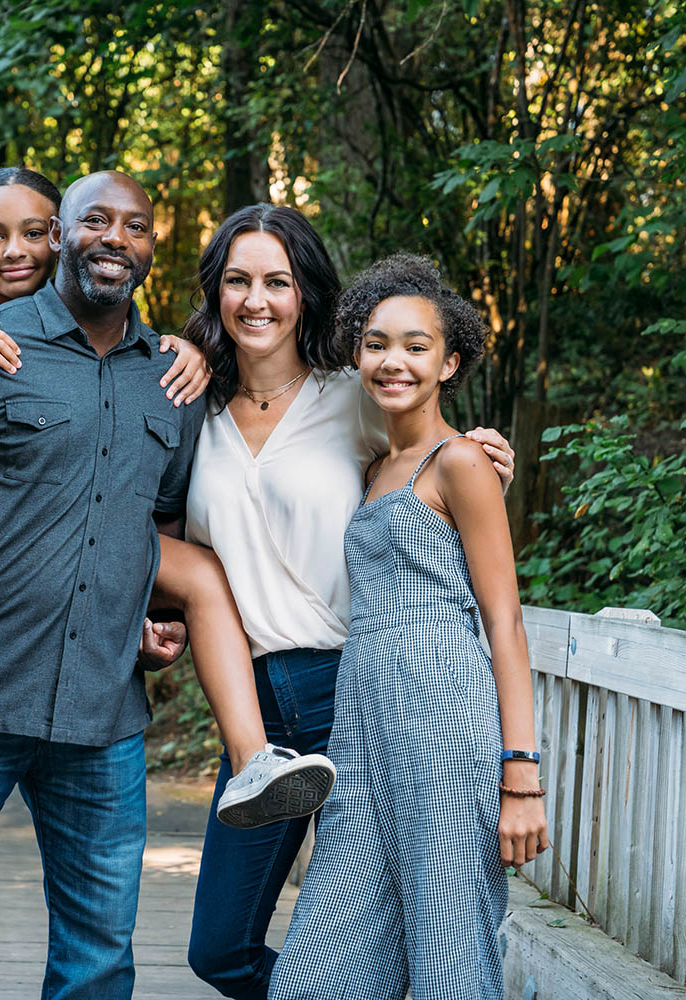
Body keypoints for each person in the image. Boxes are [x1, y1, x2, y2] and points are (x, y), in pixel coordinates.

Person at [0, 171, 328, 1000]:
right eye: (94, 219)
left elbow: (160, 527)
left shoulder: (173, 379)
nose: (114, 237)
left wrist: (153, 615)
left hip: (104, 719)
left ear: (150, 248)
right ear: (59, 234)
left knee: (97, 967)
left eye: (135, 225)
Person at [182, 206, 517, 1000]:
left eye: (278, 281)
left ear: (307, 295)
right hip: (255, 712)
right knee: (219, 947)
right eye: (238, 281)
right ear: (216, 293)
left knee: (420, 913)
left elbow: (432, 456)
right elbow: (181, 542)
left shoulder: (351, 394)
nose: (256, 300)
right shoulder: (188, 411)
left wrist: (485, 457)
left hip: (359, 685)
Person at [268, 253, 549, 1000]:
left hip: (445, 715)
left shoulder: (461, 461)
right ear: (357, 353)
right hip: (363, 724)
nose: (394, 361)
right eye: (377, 343)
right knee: (315, 970)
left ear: (449, 362)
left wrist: (521, 771)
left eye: (416, 346)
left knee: (448, 945)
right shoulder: (371, 469)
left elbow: (506, 621)